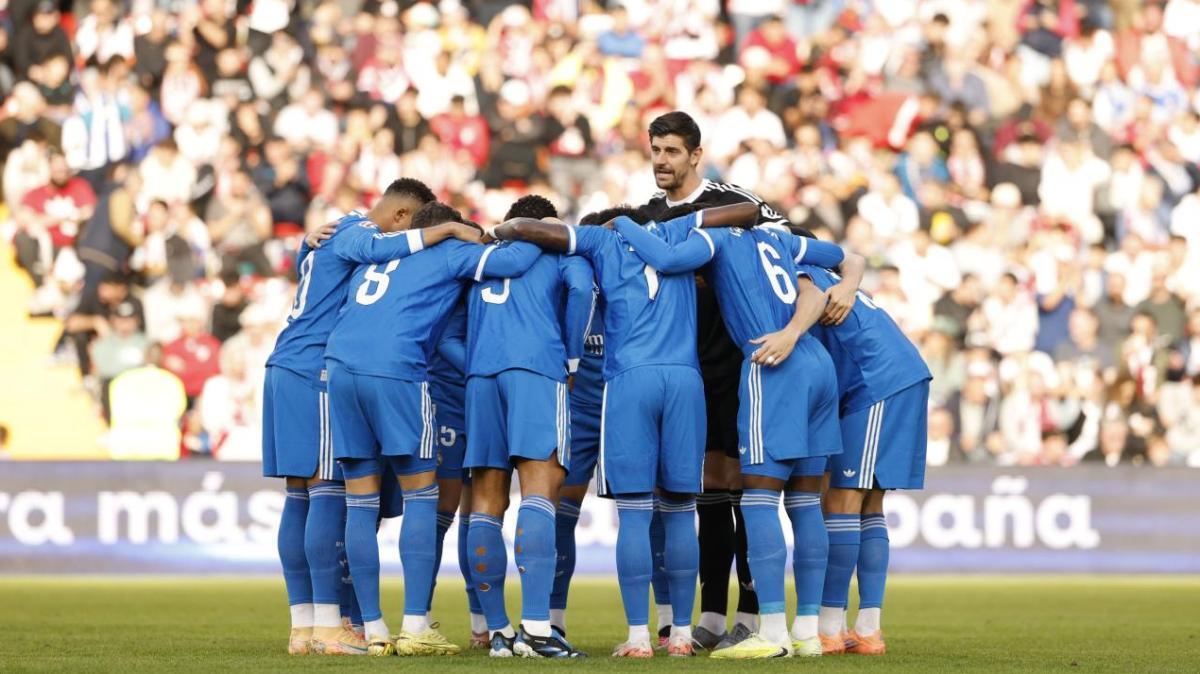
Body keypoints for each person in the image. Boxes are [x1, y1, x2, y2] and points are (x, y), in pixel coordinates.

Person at [491, 201, 764, 658]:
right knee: (679, 512)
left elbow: (525, 227)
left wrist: (495, 233)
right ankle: (679, 633)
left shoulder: (601, 238)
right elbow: (748, 210)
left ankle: (638, 637)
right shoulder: (679, 231)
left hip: (629, 379)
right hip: (684, 380)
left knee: (635, 515)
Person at [638, 110, 862, 651]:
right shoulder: (650, 215)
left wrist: (829, 300)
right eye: (656, 151)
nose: (663, 161)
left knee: (752, 494)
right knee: (710, 490)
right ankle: (714, 614)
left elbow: (807, 264)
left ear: (695, 154)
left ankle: (757, 615)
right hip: (692, 368)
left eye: (673, 152)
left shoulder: (735, 208)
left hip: (750, 361)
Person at [262, 178, 473, 656]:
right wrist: (440, 234)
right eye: (411, 224)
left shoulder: (328, 235)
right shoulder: (357, 229)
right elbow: (368, 247)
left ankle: (305, 627)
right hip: (315, 367)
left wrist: (303, 239)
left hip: (286, 363)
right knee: (325, 494)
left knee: (300, 497)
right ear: (401, 217)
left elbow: (312, 263)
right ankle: (327, 625)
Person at [325, 201, 539, 656]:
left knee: (360, 504)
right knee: (423, 496)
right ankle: (417, 626)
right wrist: (536, 230)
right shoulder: (448, 252)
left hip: (340, 370)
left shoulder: (378, 250)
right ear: (448, 228)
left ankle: (372, 629)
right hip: (397, 372)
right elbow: (514, 259)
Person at [462, 195, 591, 658]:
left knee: (485, 501)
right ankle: (537, 630)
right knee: (539, 492)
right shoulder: (558, 251)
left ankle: (497, 632)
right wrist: (571, 358)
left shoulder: (483, 255)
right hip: (536, 370)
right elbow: (580, 292)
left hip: (481, 377)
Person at [794, 263, 932, 657]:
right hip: (896, 375)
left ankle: (829, 628)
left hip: (875, 382)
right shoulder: (822, 271)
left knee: (842, 499)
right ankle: (867, 629)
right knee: (869, 504)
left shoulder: (795, 276)